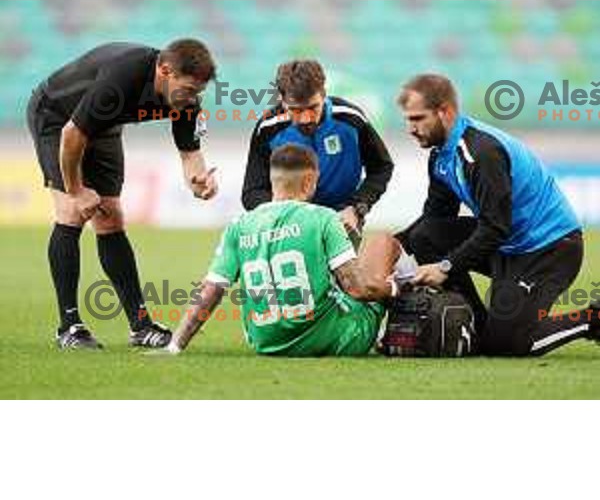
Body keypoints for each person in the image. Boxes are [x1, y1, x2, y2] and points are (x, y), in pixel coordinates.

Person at [27, 39, 219, 350]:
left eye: (197, 93)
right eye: (186, 90)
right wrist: (76, 189)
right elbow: (72, 134)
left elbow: (190, 155)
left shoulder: (186, 102)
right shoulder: (123, 77)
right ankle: (69, 326)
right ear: (165, 70)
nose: (191, 99)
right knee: (72, 212)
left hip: (102, 126)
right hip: (56, 116)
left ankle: (140, 325)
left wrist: (198, 181)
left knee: (111, 218)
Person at [396, 73, 599, 356]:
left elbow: (495, 228)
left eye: (418, 119)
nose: (410, 128)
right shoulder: (441, 155)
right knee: (425, 236)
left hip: (549, 249)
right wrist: (392, 247)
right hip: (508, 245)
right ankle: (476, 327)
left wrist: (445, 267)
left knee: (510, 345)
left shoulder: (482, 153)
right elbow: (435, 218)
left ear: (446, 112)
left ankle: (591, 320)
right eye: (407, 119)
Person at [166, 144, 395, 357]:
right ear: (308, 181)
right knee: (383, 243)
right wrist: (394, 289)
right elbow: (357, 289)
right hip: (334, 339)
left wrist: (175, 345)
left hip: (268, 344)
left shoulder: (239, 226)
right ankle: (391, 333)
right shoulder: (324, 218)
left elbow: (210, 291)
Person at [241, 59, 394, 238]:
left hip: (341, 220)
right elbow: (252, 191)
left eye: (313, 107)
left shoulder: (351, 119)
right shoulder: (268, 128)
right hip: (287, 225)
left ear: (323, 94)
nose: (306, 118)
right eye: (296, 110)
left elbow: (381, 167)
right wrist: (281, 216)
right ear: (282, 101)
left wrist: (357, 208)